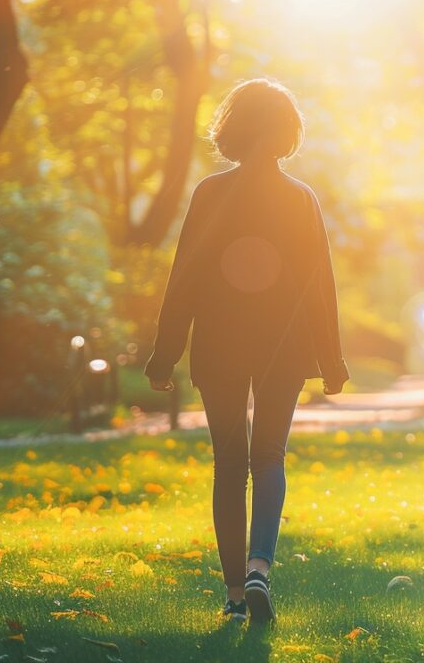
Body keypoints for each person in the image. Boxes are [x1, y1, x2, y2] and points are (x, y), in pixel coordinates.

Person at [143, 78, 349, 627]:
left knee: (230, 465)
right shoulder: (300, 198)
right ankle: (260, 566)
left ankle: (235, 595)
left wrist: (164, 357)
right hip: (284, 348)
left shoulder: (211, 193)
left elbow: (183, 278)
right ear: (287, 132)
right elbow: (318, 286)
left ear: (232, 129)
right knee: (269, 458)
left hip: (220, 346)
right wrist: (332, 361)